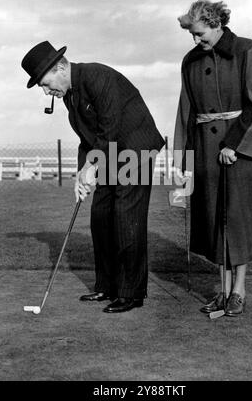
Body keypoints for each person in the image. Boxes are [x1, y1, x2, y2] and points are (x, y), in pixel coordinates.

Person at [21, 41, 165, 313]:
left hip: (135, 149)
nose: (44, 90)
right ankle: (107, 286)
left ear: (60, 67)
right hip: (110, 152)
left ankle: (131, 293)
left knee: (126, 218)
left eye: (44, 82)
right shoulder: (69, 96)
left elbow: (109, 127)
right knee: (101, 217)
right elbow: (87, 138)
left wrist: (92, 168)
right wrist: (81, 173)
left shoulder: (97, 76)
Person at [174, 0, 252, 316]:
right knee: (212, 220)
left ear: (217, 24)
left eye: (199, 33)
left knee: (237, 221)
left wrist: (235, 145)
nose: (195, 41)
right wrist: (183, 161)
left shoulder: (248, 50)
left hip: (241, 152)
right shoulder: (189, 61)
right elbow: (186, 112)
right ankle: (222, 290)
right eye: (192, 35)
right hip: (205, 153)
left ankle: (239, 290)